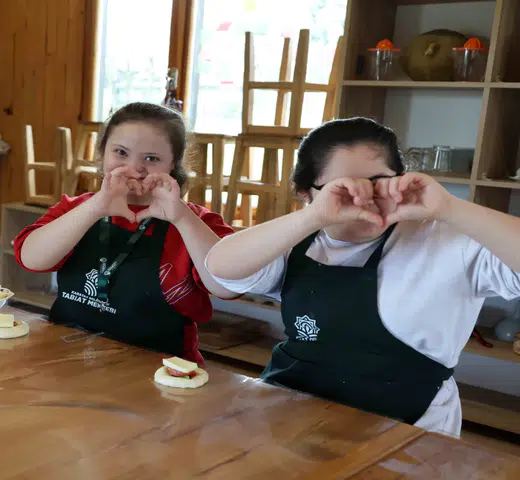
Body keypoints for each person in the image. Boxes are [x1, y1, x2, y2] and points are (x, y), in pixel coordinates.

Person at [205, 117, 520, 438]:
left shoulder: (447, 243)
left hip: (406, 433)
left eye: (378, 183)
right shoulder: (296, 239)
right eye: (342, 189)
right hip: (291, 418)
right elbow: (221, 268)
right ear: (306, 193)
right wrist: (312, 217)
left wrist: (449, 208)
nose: (363, 200)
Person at [14, 102, 238, 364]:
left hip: (161, 370)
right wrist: (96, 207)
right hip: (67, 360)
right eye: (121, 152)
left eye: (151, 159)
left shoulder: (198, 221)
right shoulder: (75, 209)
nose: (134, 168)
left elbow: (228, 286)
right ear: (102, 153)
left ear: (173, 164)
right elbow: (31, 259)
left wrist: (181, 218)